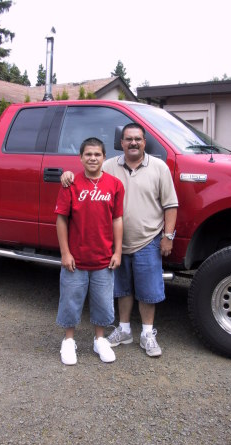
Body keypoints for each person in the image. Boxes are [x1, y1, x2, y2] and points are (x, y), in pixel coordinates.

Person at [61, 123, 178, 357]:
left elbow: (171, 204)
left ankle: (147, 333)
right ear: (121, 143)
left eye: (138, 139)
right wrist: (68, 174)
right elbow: (88, 171)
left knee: (148, 290)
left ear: (145, 142)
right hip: (115, 245)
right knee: (122, 289)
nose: (133, 143)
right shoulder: (109, 165)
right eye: (128, 139)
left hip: (147, 240)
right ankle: (124, 330)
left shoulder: (159, 167)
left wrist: (168, 236)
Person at [55, 137, 125, 365]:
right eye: (88, 154)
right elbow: (61, 220)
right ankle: (68, 341)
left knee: (103, 303)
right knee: (70, 301)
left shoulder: (115, 185)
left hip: (104, 259)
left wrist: (117, 252)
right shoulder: (70, 184)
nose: (93, 158)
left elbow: (117, 219)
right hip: (76, 260)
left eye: (97, 154)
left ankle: (100, 340)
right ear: (81, 158)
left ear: (104, 158)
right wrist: (65, 253)